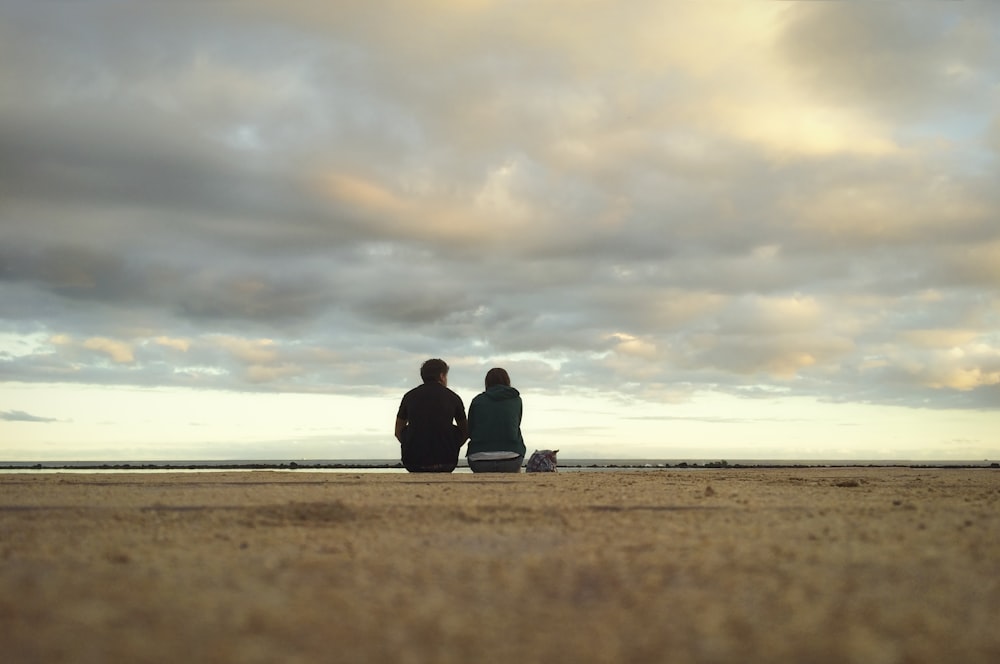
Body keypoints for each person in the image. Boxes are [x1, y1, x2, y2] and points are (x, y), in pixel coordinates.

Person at [395, 358, 468, 473]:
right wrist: (452, 445)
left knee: (409, 429)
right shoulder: (453, 397)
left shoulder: (409, 396)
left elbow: (398, 431)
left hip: (413, 463)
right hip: (446, 462)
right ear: (442, 376)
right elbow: (465, 431)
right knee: (453, 429)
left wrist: (411, 441)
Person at [466, 367, 526, 473]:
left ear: (487, 382)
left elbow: (470, 429)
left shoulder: (477, 400)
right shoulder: (516, 400)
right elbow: (516, 424)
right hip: (511, 459)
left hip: (479, 460)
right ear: (507, 381)